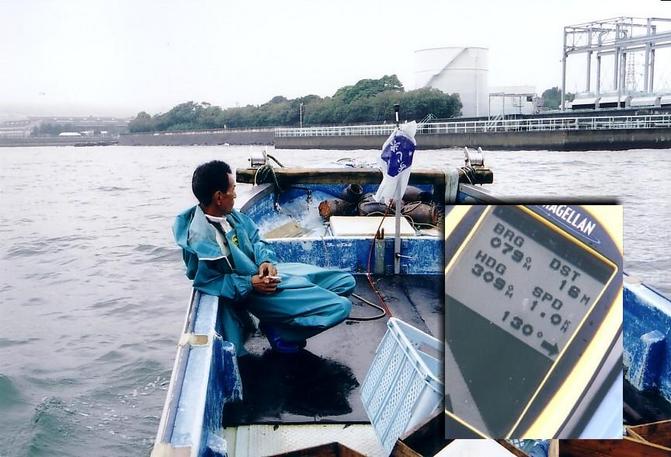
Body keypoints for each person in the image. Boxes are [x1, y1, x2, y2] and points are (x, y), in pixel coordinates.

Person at [173, 160, 354, 355]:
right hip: (257, 293)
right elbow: (209, 282)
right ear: (219, 197)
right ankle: (282, 332)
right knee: (341, 307)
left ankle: (281, 318)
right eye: (233, 189)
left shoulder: (231, 215)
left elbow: (257, 239)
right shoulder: (201, 239)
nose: (235, 194)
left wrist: (265, 261)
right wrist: (251, 283)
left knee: (346, 281)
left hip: (269, 273)